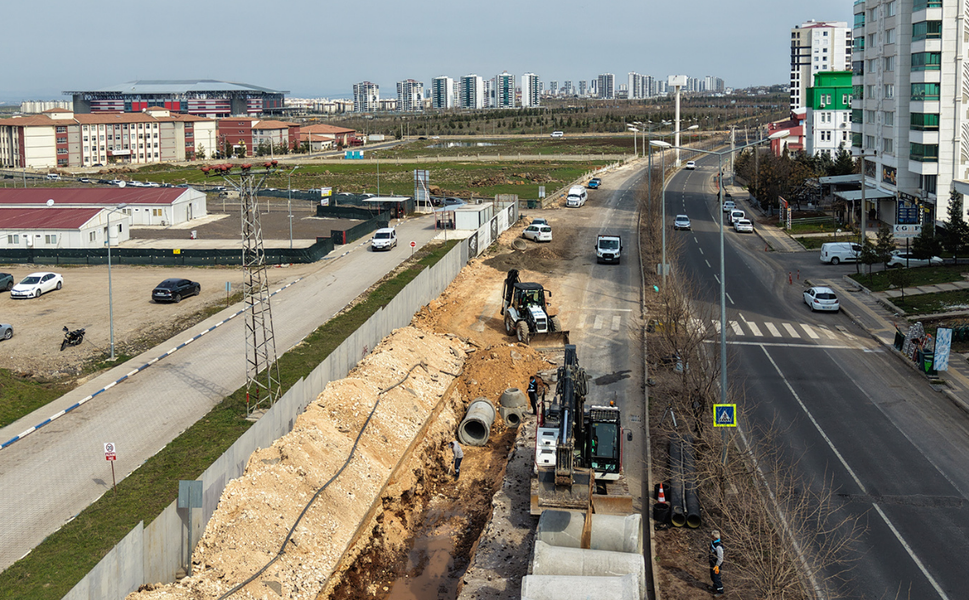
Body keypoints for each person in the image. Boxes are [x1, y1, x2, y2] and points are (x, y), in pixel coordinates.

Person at [709, 529, 724, 596]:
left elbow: (720, 558)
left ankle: (720, 591)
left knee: (716, 578)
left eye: (712, 536)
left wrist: (717, 565)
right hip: (712, 563)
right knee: (712, 576)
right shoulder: (713, 543)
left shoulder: (718, 546)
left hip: (716, 565)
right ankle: (715, 587)